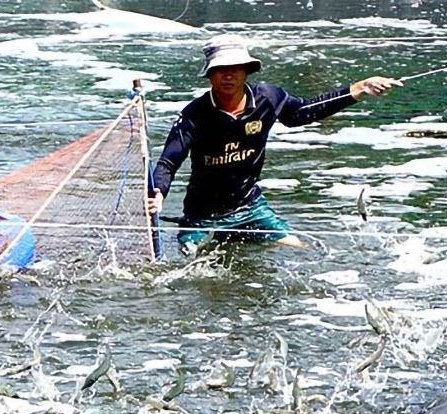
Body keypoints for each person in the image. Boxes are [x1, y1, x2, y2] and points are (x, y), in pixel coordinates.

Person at [146, 34, 401, 253]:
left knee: (302, 250)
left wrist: (358, 89)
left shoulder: (268, 98)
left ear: (247, 70)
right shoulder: (194, 114)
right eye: (221, 69)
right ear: (210, 74)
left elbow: (304, 111)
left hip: (250, 208)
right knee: (191, 261)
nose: (228, 75)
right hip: (202, 216)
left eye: (236, 67)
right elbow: (169, 162)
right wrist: (158, 194)